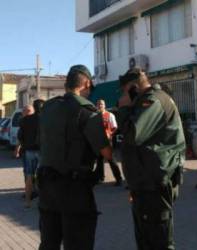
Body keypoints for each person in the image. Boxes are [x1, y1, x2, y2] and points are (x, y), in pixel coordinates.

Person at [37, 65, 112, 250]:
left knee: (49, 243)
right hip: (74, 191)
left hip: (47, 188)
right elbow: (107, 153)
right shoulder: (87, 112)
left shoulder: (48, 108)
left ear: (66, 84)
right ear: (86, 83)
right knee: (78, 243)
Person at [118, 68, 186, 250]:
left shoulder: (153, 101)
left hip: (155, 184)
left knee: (159, 242)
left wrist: (124, 108)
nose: (122, 96)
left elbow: (133, 135)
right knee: (145, 241)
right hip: (144, 183)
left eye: (124, 91)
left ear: (133, 87)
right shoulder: (142, 103)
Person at [17, 101, 44, 208]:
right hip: (41, 151)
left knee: (29, 176)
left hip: (28, 151)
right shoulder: (45, 119)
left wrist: (21, 146)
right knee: (42, 176)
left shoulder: (24, 120)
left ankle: (27, 202)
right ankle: (42, 202)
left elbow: (20, 136)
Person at [96, 99, 122, 186]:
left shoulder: (110, 115)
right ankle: (100, 177)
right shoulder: (95, 116)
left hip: (107, 141)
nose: (100, 106)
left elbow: (115, 127)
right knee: (99, 160)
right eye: (99, 104)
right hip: (98, 140)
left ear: (105, 105)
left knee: (111, 160)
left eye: (102, 104)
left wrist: (109, 134)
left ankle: (119, 179)